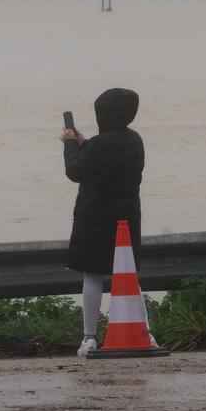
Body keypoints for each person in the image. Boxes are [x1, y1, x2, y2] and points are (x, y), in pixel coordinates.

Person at [60, 87, 146, 358]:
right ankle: (144, 331)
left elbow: (75, 171)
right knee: (129, 277)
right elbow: (102, 156)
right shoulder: (134, 141)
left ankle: (89, 337)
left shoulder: (98, 145)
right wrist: (85, 143)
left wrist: (70, 144)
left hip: (93, 219)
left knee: (92, 275)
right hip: (126, 218)